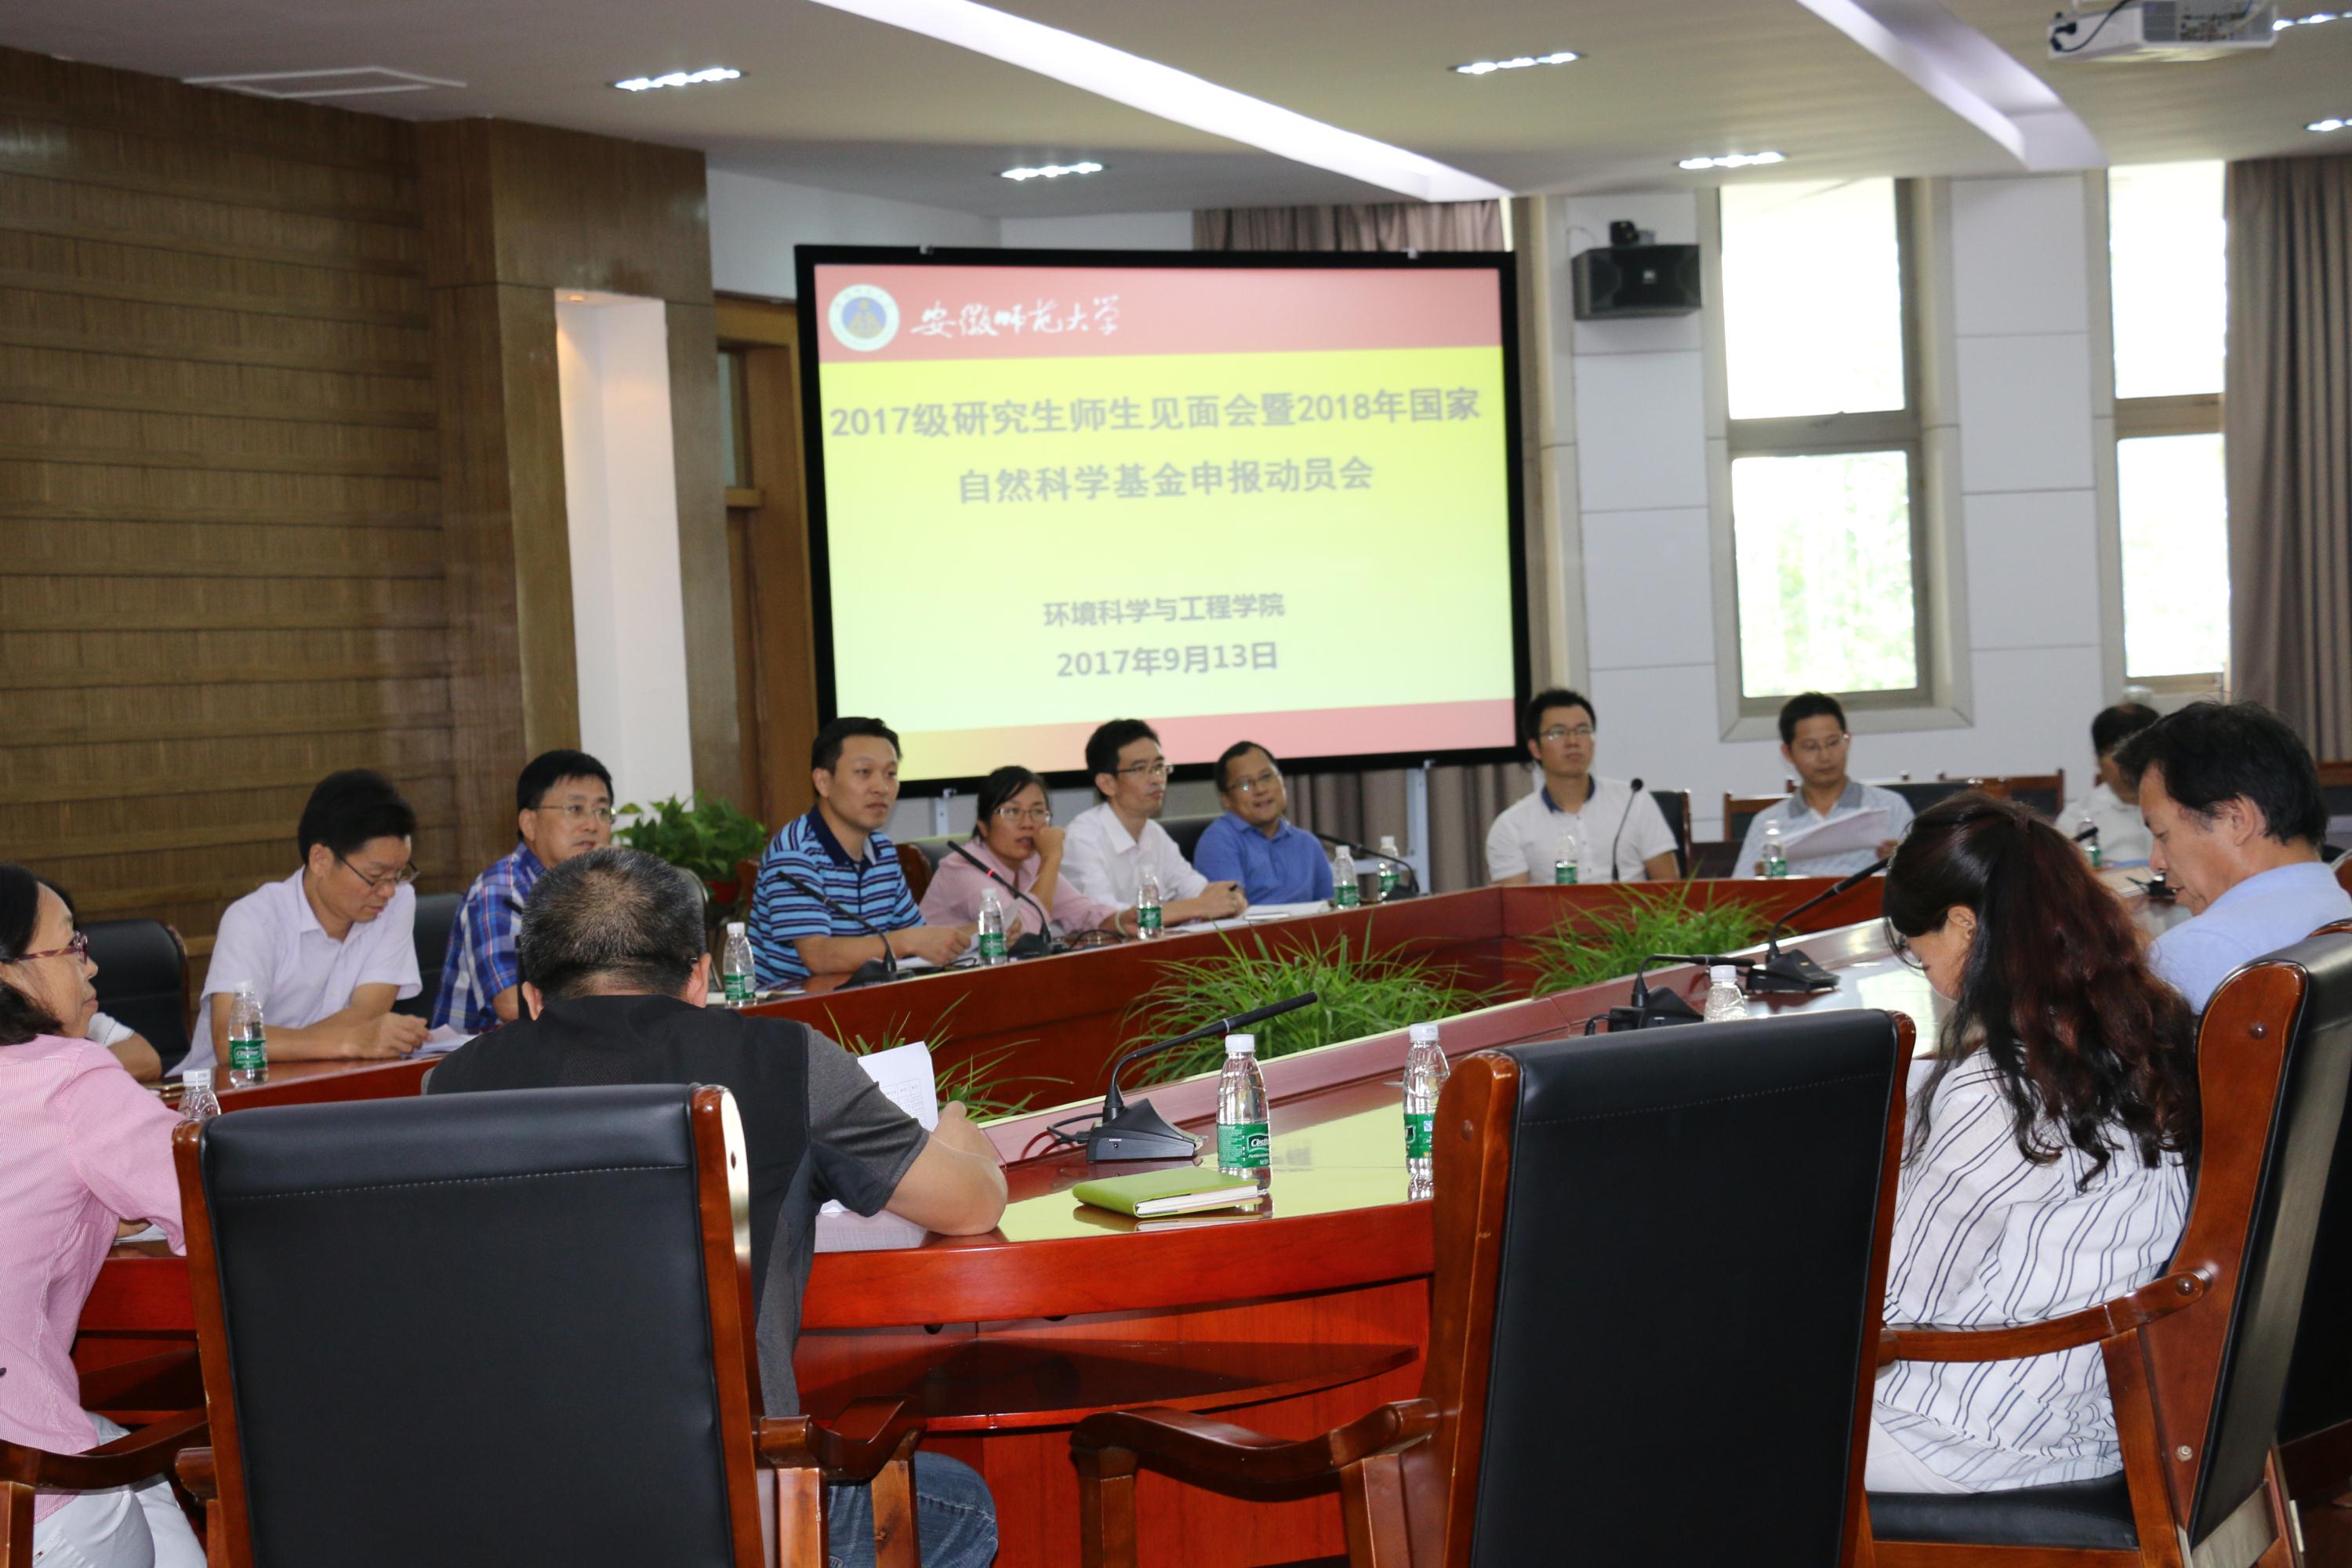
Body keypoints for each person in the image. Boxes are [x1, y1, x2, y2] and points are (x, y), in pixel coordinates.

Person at [427, 848, 1004, 1567]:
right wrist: (959, 1131)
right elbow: (971, 1206)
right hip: (737, 1517)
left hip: (510, 1515)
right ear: (701, 978)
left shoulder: (450, 1087)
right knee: (961, 1505)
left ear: (533, 997)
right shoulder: (784, 1059)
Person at [1871, 795, 2198, 1493]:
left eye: (1916, 946)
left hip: (1967, 1432)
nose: (1922, 966)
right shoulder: (2143, 1034)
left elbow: (1890, 1306)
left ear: (1963, 925)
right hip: (2098, 1415)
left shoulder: (2000, 1091)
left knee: (1691, 1419)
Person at [1, 864, 205, 1568]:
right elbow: (213, 1202)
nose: (90, 965)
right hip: (28, 1494)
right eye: (71, 946)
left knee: (130, 1466)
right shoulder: (68, 1077)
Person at [2114, 701, 2352, 1010]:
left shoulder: (2200, 950)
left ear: (2236, 820)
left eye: (2162, 835)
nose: (2156, 862)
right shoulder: (2339, 909)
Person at [191, 768, 428, 1075]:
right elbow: (233, 1042)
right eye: (375, 876)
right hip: (235, 1090)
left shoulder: (398, 901)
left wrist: (334, 1042)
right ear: (320, 860)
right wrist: (347, 1042)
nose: (388, 890)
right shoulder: (253, 920)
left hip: (326, 1081)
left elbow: (366, 1014)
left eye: (398, 874)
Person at [749, 718, 974, 986]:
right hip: (794, 1005)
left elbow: (918, 937)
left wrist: (985, 932)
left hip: (865, 998)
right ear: (823, 782)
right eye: (864, 772)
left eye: (891, 774)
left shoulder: (882, 851)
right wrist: (905, 941)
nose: (882, 787)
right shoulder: (794, 852)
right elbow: (819, 956)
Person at [434, 748, 615, 1032]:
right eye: (575, 809)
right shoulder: (499, 891)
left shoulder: (605, 886)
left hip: (565, 1044)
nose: (592, 825)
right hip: (483, 1055)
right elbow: (513, 1004)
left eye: (602, 811)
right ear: (529, 823)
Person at [918, 765, 1137, 941]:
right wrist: (1051, 859)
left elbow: (1082, 914)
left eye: (1037, 811)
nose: (1028, 823)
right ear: (983, 825)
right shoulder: (961, 870)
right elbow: (1023, 931)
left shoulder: (1031, 862)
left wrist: (1120, 921)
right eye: (1012, 811)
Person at [1060, 719, 1247, 923]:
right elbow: (1107, 918)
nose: (1157, 779)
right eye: (1140, 769)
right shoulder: (1082, 839)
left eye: (1159, 767)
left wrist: (1229, 898)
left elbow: (1195, 888)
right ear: (1107, 783)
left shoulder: (1154, 833)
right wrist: (1199, 907)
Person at [1485, 688, 1678, 884]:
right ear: (1535, 749)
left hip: (1631, 904)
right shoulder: (1511, 827)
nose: (1573, 741)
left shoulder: (1633, 800)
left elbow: (1670, 888)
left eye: (1583, 731)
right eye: (1558, 733)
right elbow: (1514, 901)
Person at [1737, 691, 1915, 877]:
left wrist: (1902, 863)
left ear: (1848, 740)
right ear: (1788, 753)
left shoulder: (1891, 807)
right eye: (1811, 747)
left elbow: (1923, 882)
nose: (1825, 756)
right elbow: (1737, 891)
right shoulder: (1767, 823)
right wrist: (1761, 881)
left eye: (1833, 743)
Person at [1193, 742, 1335, 905]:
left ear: (1281, 780)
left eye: (1266, 777)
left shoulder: (1307, 843)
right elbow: (1230, 911)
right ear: (1226, 799)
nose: (1260, 790)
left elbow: (1333, 908)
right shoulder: (1219, 841)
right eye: (1245, 785)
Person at [2054, 702, 2160, 866]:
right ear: (2097, 760)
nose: (2128, 764)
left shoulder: (2185, 808)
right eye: (2115, 753)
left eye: (2137, 753)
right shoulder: (2076, 819)